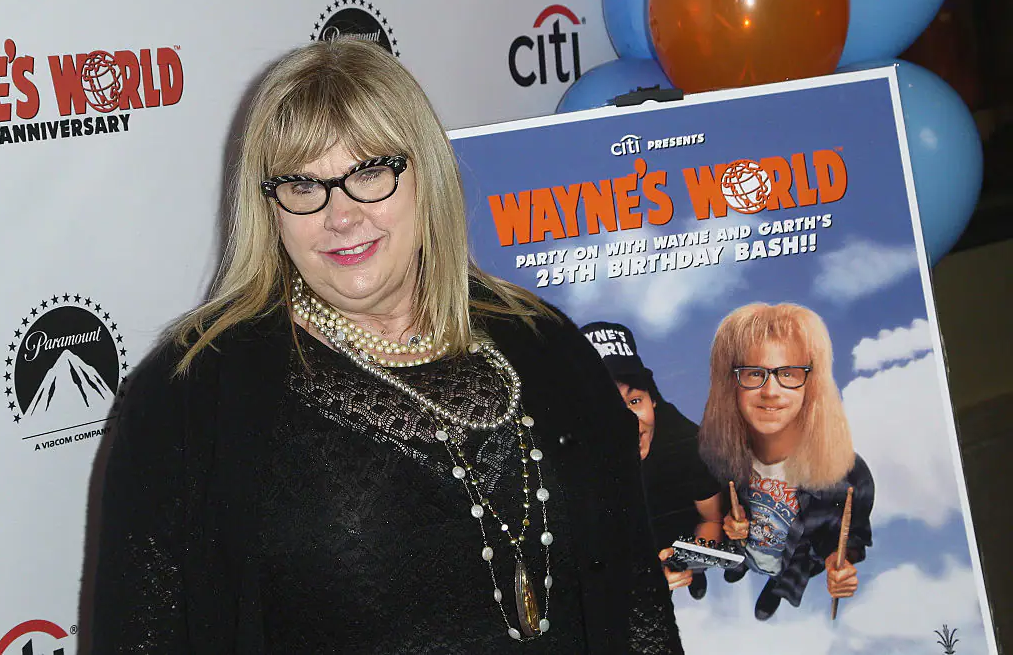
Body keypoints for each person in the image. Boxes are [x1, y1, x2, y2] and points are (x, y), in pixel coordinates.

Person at [88, 37, 684, 654]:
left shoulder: (545, 343)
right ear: (269, 208)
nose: (340, 216)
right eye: (302, 186)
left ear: (425, 176)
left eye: (369, 173)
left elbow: (637, 602)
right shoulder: (192, 397)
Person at [698, 302, 875, 621]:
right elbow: (707, 506)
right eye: (754, 373)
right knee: (737, 563)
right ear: (730, 383)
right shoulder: (718, 452)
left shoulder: (848, 473)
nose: (770, 391)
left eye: (788, 373)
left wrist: (840, 562)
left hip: (794, 562)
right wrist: (727, 523)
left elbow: (851, 536)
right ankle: (742, 566)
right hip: (745, 548)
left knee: (781, 574)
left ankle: (775, 587)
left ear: (813, 382)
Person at [580, 321, 723, 600]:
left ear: (652, 400)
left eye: (635, 401)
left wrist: (690, 559)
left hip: (676, 529)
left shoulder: (689, 443)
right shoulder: (570, 457)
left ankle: (694, 571)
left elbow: (711, 520)